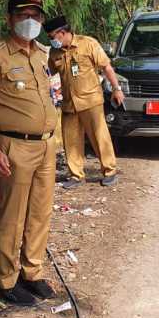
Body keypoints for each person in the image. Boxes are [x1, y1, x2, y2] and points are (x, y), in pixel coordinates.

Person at [0, 0, 59, 307]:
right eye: (23, 15)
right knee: (13, 215)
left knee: (40, 212)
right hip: (15, 146)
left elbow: (51, 94)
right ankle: (5, 280)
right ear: (9, 19)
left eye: (36, 15)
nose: (30, 21)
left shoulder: (42, 54)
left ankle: (31, 272)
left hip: (46, 145)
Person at [43, 15, 124, 188]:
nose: (51, 41)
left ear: (62, 33)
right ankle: (76, 175)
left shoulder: (88, 44)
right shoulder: (54, 52)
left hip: (91, 101)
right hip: (69, 103)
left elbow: (106, 67)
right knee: (71, 141)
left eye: (52, 37)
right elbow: (47, 73)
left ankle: (110, 171)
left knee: (99, 136)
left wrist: (117, 89)